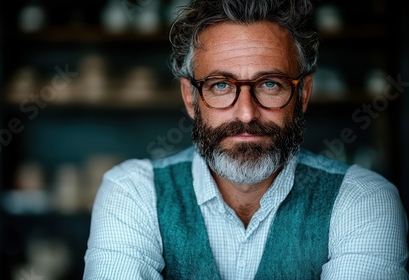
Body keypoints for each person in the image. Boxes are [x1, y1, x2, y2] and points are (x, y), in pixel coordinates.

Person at [83, 0, 409, 279]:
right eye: (221, 85)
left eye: (269, 84)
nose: (246, 114)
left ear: (303, 94)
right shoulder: (134, 192)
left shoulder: (362, 200)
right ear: (190, 98)